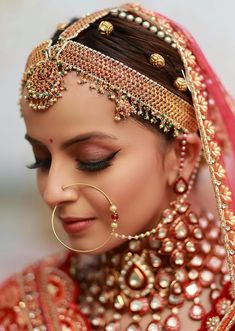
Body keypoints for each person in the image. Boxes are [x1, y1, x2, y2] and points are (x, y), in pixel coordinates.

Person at [0, 3, 235, 330]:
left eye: (92, 160)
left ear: (182, 156)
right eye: (41, 160)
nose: (53, 192)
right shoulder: (19, 308)